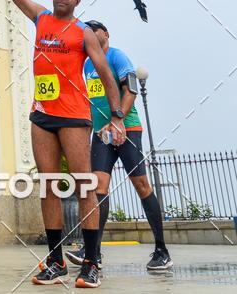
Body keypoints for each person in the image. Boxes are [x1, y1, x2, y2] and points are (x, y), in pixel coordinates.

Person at [0, 0, 126, 289]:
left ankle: (91, 261)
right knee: (48, 184)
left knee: (83, 184)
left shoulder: (83, 32)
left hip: (74, 117)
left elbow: (104, 73)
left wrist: (116, 116)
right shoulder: (41, 18)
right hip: (42, 115)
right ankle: (55, 260)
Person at [65, 20, 172, 272]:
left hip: (127, 130)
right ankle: (94, 252)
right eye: (86, 30)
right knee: (98, 188)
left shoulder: (117, 56)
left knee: (142, 185)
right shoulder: (88, 64)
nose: (89, 32)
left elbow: (131, 89)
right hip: (102, 135)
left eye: (94, 28)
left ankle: (162, 250)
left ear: (106, 33)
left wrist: (118, 121)